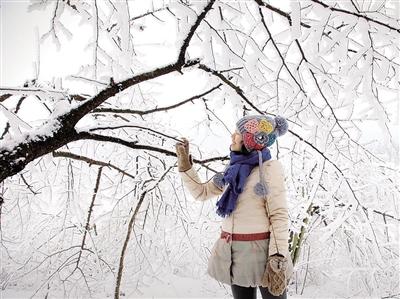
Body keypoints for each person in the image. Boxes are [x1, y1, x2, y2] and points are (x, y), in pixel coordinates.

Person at [175, 114, 293, 299]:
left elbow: (278, 215)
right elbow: (202, 192)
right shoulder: (233, 170)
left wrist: (277, 257)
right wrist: (185, 166)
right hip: (234, 255)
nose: (232, 136)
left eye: (237, 133)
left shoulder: (270, 169)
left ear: (250, 140)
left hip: (264, 256)